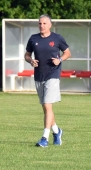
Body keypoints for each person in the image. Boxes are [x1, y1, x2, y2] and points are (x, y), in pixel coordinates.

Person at [24, 14, 71, 147]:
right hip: (39, 76)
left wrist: (60, 60)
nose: (42, 26)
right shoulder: (33, 39)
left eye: (44, 23)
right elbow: (27, 55)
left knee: (47, 105)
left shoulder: (57, 38)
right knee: (46, 108)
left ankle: (45, 138)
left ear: (50, 25)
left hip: (53, 75)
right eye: (40, 23)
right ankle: (57, 131)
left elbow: (68, 52)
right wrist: (31, 60)